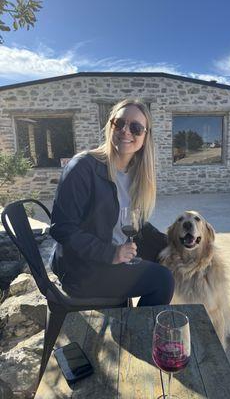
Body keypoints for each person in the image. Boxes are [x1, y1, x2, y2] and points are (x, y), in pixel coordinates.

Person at [49, 99, 175, 306]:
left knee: (171, 262)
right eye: (119, 123)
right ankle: (139, 332)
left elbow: (138, 225)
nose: (126, 131)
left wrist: (175, 244)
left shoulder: (135, 174)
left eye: (136, 128)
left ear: (145, 137)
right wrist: (111, 254)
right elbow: (62, 229)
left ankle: (133, 321)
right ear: (110, 126)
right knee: (162, 280)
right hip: (82, 270)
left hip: (112, 259)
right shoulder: (82, 168)